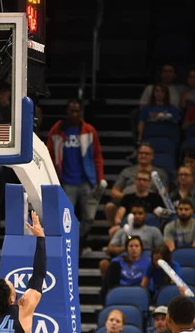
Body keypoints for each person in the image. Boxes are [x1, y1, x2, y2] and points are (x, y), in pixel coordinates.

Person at [46, 99, 104, 252]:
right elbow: (49, 155)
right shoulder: (57, 130)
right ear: (66, 112)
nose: (74, 114)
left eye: (77, 111)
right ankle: (70, 245)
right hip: (66, 181)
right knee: (66, 218)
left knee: (89, 218)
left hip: (86, 180)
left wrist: (99, 178)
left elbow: (97, 156)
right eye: (71, 111)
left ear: (81, 113)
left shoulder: (89, 131)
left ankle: (79, 241)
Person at [104, 142, 168, 226]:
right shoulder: (127, 171)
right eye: (141, 153)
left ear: (152, 156)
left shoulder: (159, 173)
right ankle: (117, 229)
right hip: (128, 202)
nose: (143, 155)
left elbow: (165, 193)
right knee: (110, 206)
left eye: (147, 153)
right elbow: (114, 191)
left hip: (150, 202)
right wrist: (130, 198)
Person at [99, 203, 163, 279]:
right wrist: (126, 248)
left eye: (140, 213)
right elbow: (109, 249)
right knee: (104, 264)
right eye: (134, 213)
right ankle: (111, 290)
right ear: (129, 216)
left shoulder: (154, 231)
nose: (137, 216)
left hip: (146, 262)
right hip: (124, 262)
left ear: (145, 215)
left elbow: (161, 250)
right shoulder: (122, 231)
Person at [108, 171, 164, 238]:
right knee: (113, 231)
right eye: (139, 179)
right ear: (135, 181)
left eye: (144, 180)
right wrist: (118, 221)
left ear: (149, 183)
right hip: (130, 226)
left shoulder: (156, 198)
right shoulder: (127, 197)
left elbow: (160, 214)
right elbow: (120, 212)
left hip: (150, 227)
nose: (141, 182)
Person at [101, 236, 151, 300]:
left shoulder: (148, 262)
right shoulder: (117, 262)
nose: (134, 248)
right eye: (131, 246)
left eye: (136, 246)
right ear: (126, 248)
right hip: (121, 293)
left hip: (139, 293)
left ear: (141, 248)